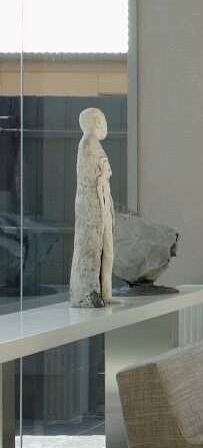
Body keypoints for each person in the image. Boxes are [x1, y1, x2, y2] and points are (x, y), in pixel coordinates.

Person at [69, 108, 120, 307]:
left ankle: (105, 293)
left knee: (107, 250)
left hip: (103, 201)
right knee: (94, 249)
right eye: (104, 120)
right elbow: (88, 178)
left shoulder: (93, 143)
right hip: (93, 204)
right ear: (98, 121)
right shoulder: (88, 142)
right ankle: (89, 293)